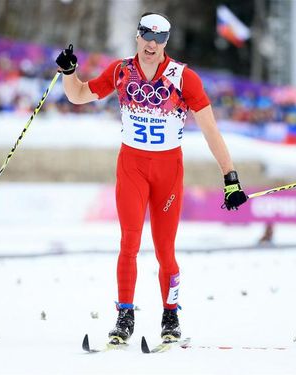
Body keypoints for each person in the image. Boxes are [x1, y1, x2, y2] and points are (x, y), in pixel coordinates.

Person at [56, 12, 248, 344]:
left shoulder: (183, 77)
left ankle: (170, 315)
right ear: (138, 36)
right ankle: (124, 316)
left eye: (160, 38)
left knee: (165, 251)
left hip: (168, 172)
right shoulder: (120, 71)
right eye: (147, 35)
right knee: (128, 242)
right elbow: (79, 95)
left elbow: (211, 131)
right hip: (131, 167)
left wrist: (230, 177)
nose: (152, 44)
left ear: (166, 42)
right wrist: (68, 72)